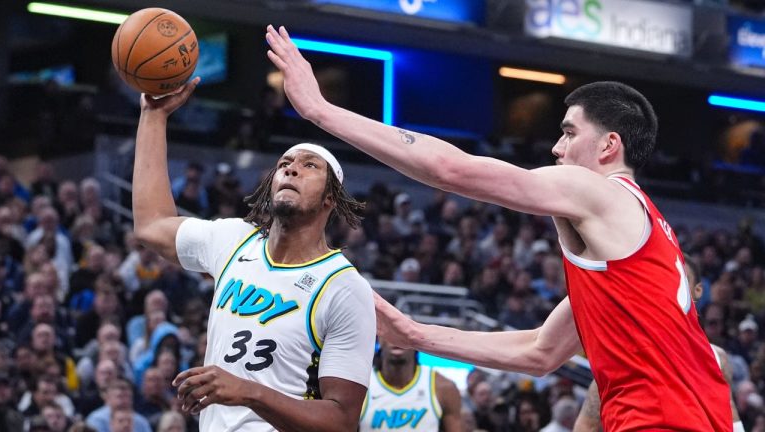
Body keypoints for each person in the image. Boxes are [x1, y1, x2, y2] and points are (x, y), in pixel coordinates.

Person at [265, 25, 731, 430]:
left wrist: (321, 112)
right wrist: (414, 332)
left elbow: (453, 171)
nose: (556, 148)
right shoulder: (637, 247)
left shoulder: (602, 192)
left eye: (569, 133)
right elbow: (540, 352)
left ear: (610, 146)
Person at [131, 77, 376, 431]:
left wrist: (250, 392)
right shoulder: (233, 240)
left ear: (330, 199)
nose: (291, 168)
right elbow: (151, 224)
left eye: (309, 166)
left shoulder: (344, 287)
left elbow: (341, 421)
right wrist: (154, 117)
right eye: (285, 163)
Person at [572, 255, 744, 432]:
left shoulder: (718, 359)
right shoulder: (622, 354)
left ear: (697, 290)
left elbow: (732, 422)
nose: (668, 288)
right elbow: (586, 425)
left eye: (678, 280)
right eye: (660, 280)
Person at [359, 338, 461, 431]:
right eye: (390, 331)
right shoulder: (360, 386)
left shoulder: (443, 387)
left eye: (402, 332)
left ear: (416, 340)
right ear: (379, 338)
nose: (396, 337)